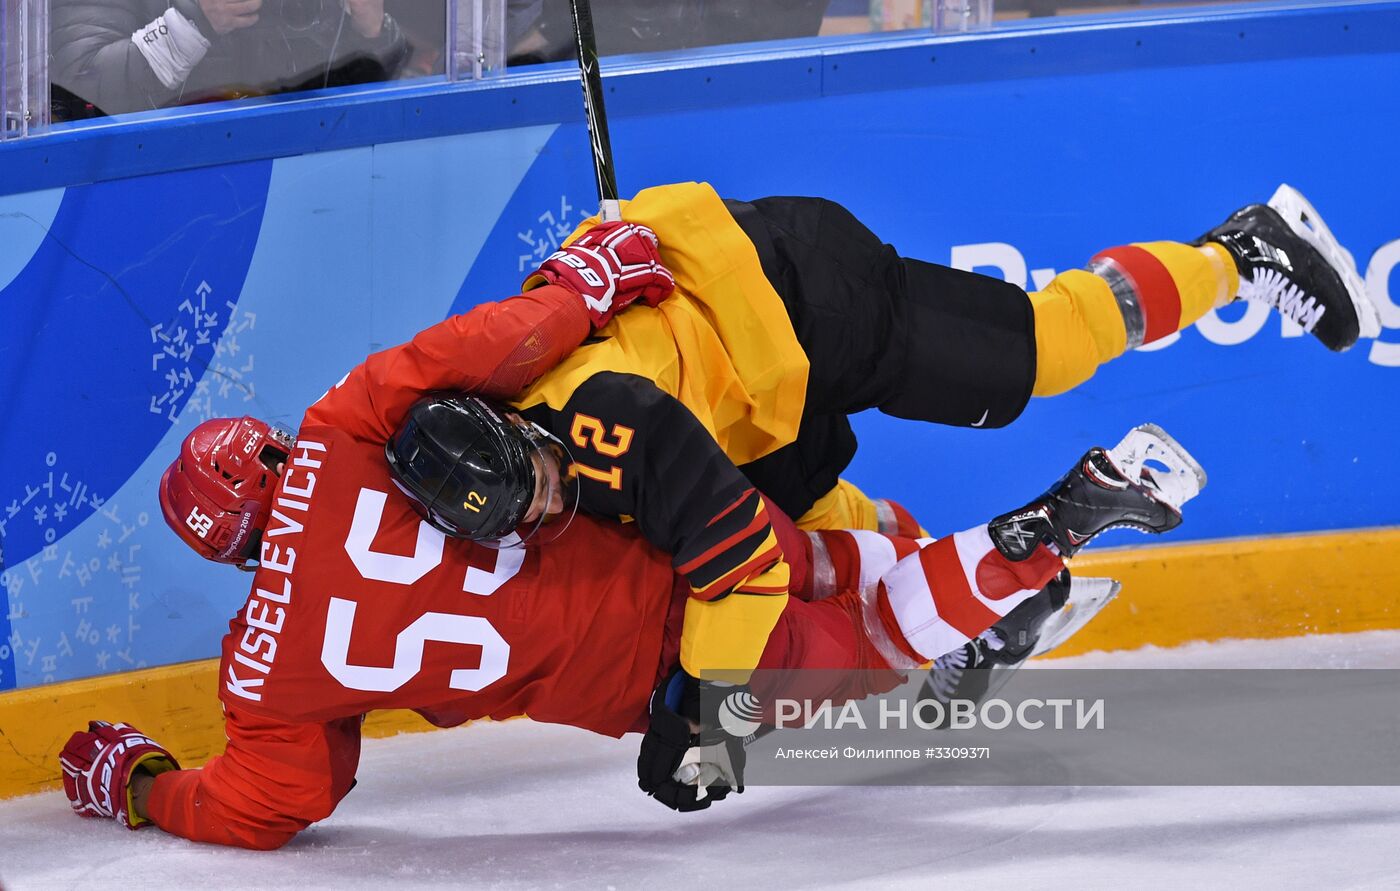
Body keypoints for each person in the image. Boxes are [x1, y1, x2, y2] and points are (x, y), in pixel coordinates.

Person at [57, 219, 1204, 844]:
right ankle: (989, 583)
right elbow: (500, 342)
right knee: (831, 559)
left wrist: (143, 783)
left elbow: (269, 804)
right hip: (688, 535)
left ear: (226, 553)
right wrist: (581, 283)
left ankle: (1047, 529)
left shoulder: (272, 674)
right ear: (266, 451)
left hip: (656, 681)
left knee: (871, 654)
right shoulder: (349, 423)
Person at [383, 181, 1379, 688]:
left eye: (547, 482)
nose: (555, 501)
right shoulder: (524, 423)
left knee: (1029, 354)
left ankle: (1241, 250)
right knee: (810, 527)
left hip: (796, 294)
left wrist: (700, 707)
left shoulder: (602, 408)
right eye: (539, 508)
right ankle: (980, 597)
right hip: (737, 401)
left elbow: (724, 563)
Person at [50, 0, 409, 119]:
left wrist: (370, 34)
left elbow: (347, 119)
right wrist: (195, 21)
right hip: (154, 184)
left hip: (289, 190)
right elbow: (82, 91)